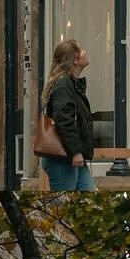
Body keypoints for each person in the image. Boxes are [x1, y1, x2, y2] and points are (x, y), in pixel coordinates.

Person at [38, 39, 95, 192]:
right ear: (75, 60)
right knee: (62, 204)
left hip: (71, 155)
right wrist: (75, 152)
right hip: (63, 157)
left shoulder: (69, 84)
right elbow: (64, 120)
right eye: (81, 49)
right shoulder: (64, 85)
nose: (86, 52)